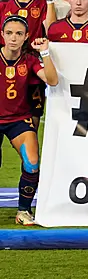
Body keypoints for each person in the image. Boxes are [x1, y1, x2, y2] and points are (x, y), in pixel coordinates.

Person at [0, 15, 58, 225]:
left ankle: (23, 211)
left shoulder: (30, 61)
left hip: (19, 120)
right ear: (2, 35)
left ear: (25, 37)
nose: (13, 38)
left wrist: (44, 52)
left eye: (18, 34)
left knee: (32, 163)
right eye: (9, 33)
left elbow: (52, 80)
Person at [0, 0, 56, 128]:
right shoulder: (3, 5)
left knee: (33, 119)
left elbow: (52, 29)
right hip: (6, 68)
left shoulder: (42, 4)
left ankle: (29, 154)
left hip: (33, 70)